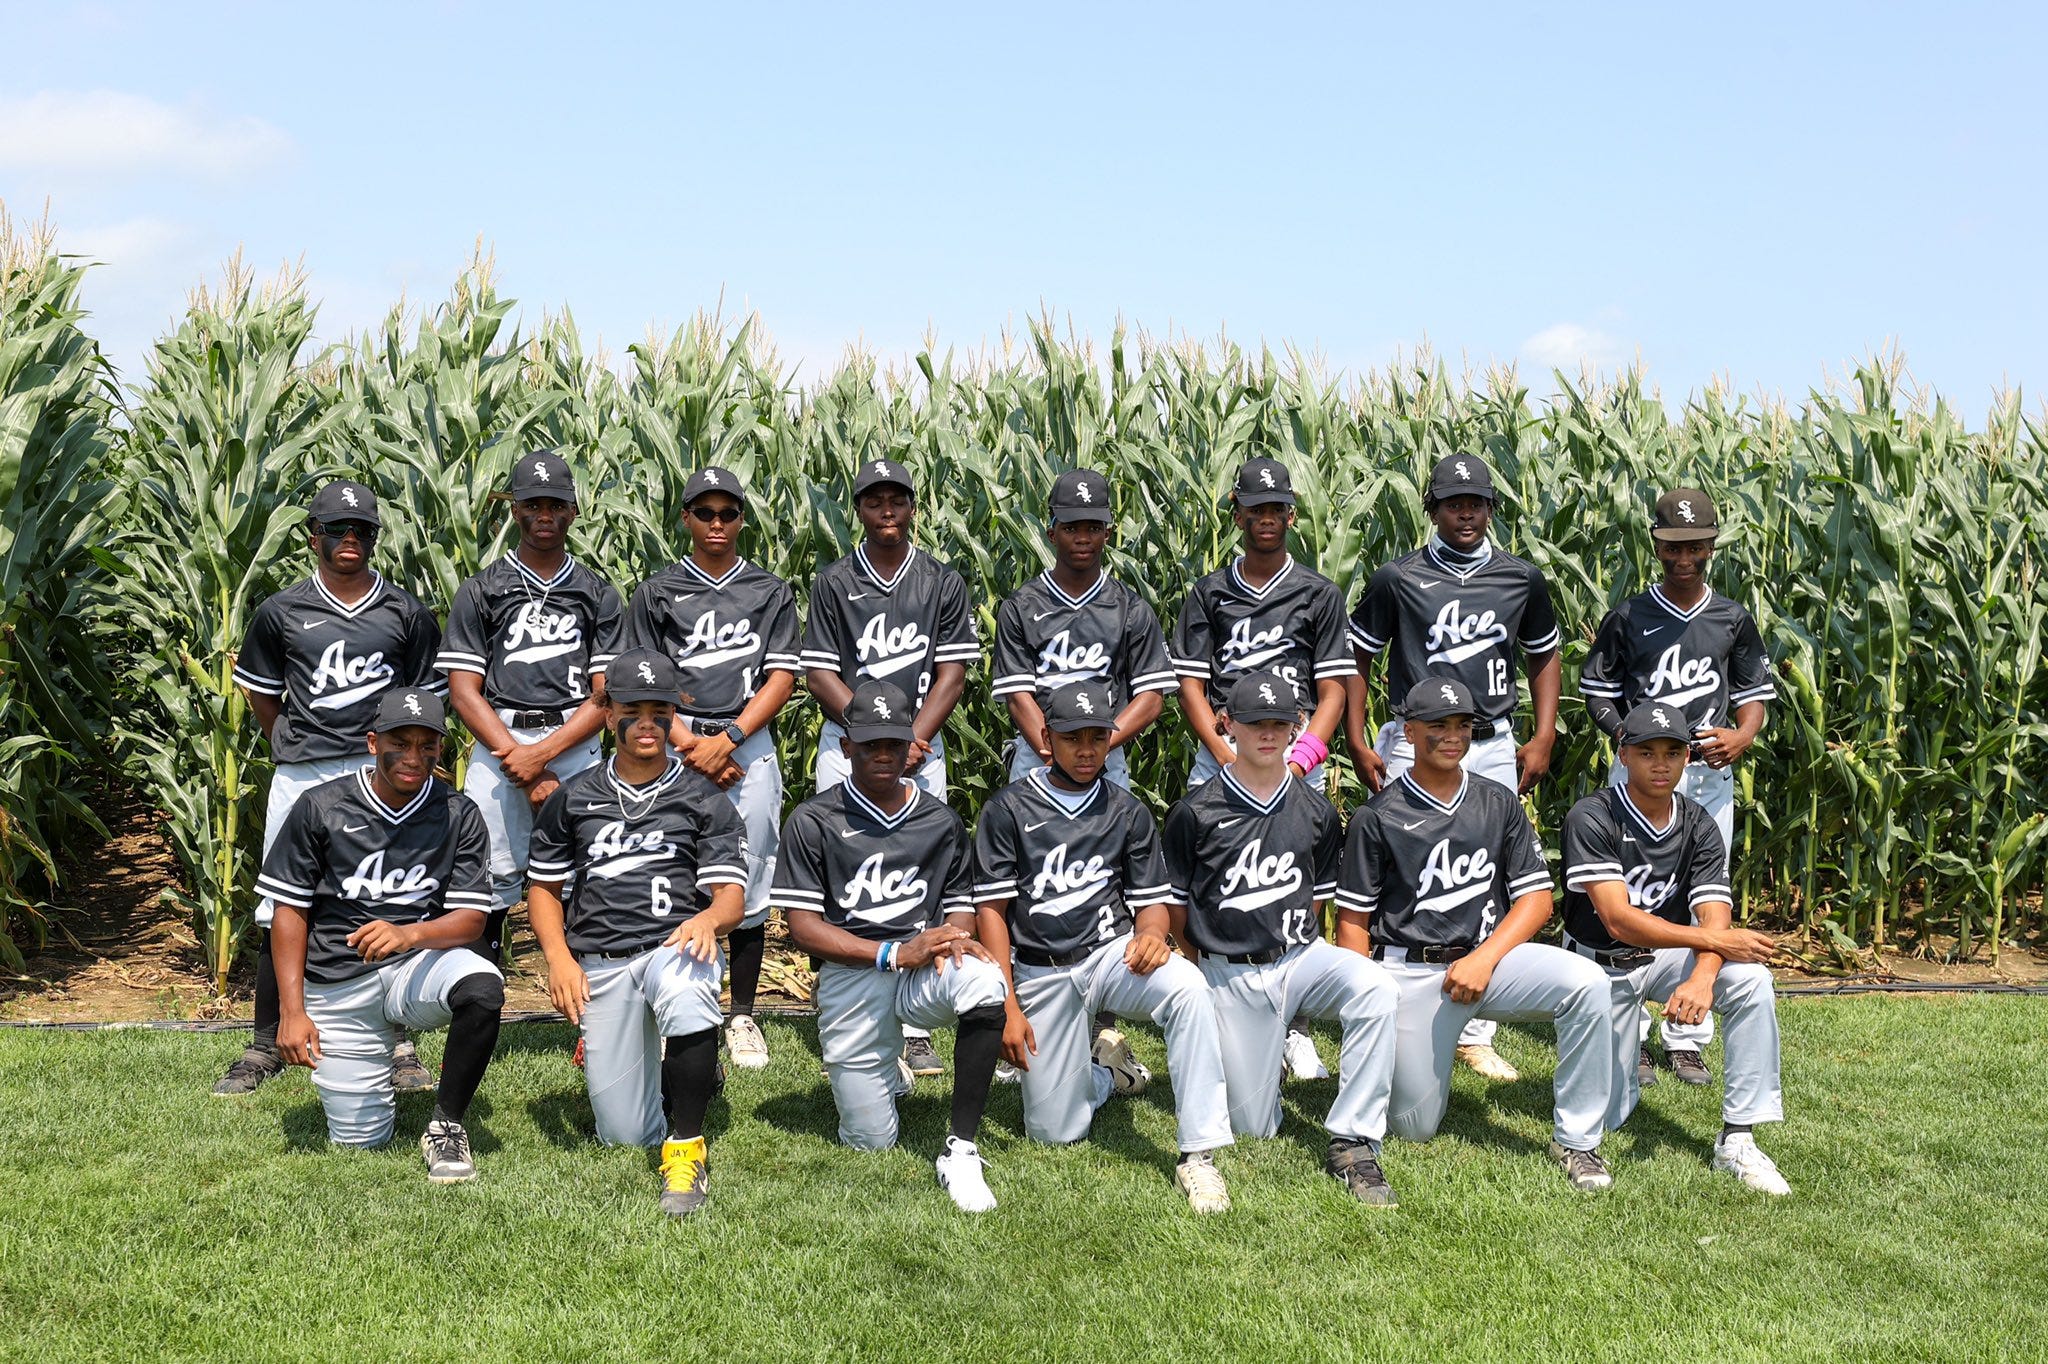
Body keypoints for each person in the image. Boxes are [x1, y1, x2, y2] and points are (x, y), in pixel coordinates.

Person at [1336, 678, 1616, 1192]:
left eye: (1462, 725)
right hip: (1411, 971)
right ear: (1407, 730)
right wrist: (1368, 1006)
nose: (1452, 735)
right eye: (1438, 725)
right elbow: (1351, 923)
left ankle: (1577, 1141)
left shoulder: (1498, 802)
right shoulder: (1377, 817)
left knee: (1588, 983)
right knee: (1413, 1126)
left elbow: (1536, 901)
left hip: (1491, 961)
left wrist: (1485, 959)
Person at [216, 479, 445, 1097]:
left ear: (375, 538)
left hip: (381, 771)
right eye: (337, 530)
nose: (350, 540)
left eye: (362, 531)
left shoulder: (405, 612)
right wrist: (296, 745)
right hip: (306, 769)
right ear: (312, 536)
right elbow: (263, 694)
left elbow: (423, 699)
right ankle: (266, 1042)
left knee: (384, 897)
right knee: (282, 902)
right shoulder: (282, 610)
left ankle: (397, 1043)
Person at [1341, 453, 1563, 1086]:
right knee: (1408, 866)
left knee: (1489, 869)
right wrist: (1357, 737)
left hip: (1490, 739)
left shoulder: (1520, 578)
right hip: (1414, 738)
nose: (1465, 513)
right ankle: (1394, 997)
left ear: (1491, 508)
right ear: (1433, 509)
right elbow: (1358, 658)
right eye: (1452, 503)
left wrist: (1543, 734)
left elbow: (1543, 657)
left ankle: (1476, 1028)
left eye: (1476, 503)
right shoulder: (1398, 579)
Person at [972, 680, 1235, 1213]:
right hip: (1039, 969)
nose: (1088, 749)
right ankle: (1105, 1075)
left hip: (1105, 957)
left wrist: (1154, 934)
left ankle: (1199, 1156)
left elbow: (1152, 901)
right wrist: (1007, 1004)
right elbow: (991, 915)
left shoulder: (1127, 810)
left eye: (1098, 736)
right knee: (1054, 1132)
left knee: (1188, 987)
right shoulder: (1008, 809)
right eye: (1074, 737)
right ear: (1047, 737)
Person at [1161, 670, 1401, 1207]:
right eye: (1254, 723)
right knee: (1252, 1125)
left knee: (1375, 986)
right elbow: (1176, 906)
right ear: (1227, 725)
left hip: (1301, 957)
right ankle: (1261, 1051)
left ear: (1296, 726)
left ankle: (1353, 1140)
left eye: (1278, 723)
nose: (1267, 734)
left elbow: (1318, 897)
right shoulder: (1195, 811)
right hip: (1230, 968)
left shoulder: (1315, 809)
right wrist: (1204, 967)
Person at [526, 648, 750, 1216]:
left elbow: (731, 899)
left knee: (686, 976)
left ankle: (687, 1151)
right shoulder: (573, 797)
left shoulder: (703, 797)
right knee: (624, 1133)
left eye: (660, 709)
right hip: (600, 960)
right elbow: (544, 892)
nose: (647, 721)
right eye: (632, 708)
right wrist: (558, 959)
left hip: (672, 944)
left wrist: (707, 918)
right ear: (606, 714)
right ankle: (684, 1073)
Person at [773, 679, 1010, 1213]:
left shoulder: (940, 819)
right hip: (853, 972)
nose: (884, 754)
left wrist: (954, 937)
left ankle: (962, 1150)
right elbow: (803, 927)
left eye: (894, 744)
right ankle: (886, 1072)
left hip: (921, 968)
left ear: (913, 747)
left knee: (985, 980)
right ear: (846, 746)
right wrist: (892, 953)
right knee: (870, 1142)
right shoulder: (814, 820)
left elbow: (959, 904)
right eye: (871, 743)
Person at [264, 688, 503, 1182]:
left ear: (441, 748)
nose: (413, 757)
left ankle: (446, 1125)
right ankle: (368, 1077)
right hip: (338, 982)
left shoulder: (458, 812)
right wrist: (292, 1012)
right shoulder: (321, 806)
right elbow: (289, 911)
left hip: (414, 966)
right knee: (358, 1143)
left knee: (482, 987)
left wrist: (409, 933)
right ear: (373, 743)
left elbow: (471, 921)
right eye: (400, 742)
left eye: (427, 744)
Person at [1579, 487, 1775, 1086]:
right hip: (1639, 769)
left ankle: (1686, 1033)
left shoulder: (1731, 617)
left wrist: (1742, 739)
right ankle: (1631, 1028)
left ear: (1712, 545)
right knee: (1634, 891)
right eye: (1671, 547)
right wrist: (1622, 736)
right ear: (1656, 547)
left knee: (1702, 890)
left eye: (1694, 546)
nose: (1682, 558)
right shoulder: (1631, 615)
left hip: (1707, 774)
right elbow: (1597, 686)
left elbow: (1753, 698)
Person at [1170, 457, 1356, 1083]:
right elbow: (1191, 684)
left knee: (1295, 881)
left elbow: (1332, 687)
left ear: (1291, 516)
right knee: (1210, 878)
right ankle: (1206, 1006)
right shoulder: (1209, 592)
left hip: (1293, 747)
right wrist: (1224, 755)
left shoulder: (1318, 593)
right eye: (1255, 509)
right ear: (1238, 514)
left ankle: (1295, 1025)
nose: (1266, 518)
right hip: (1224, 747)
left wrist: (1306, 756)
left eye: (1277, 508)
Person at [989, 466, 1177, 1079]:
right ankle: (1027, 1013)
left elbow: (1150, 694)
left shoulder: (1128, 607)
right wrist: (1050, 742)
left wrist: (1093, 742)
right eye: (1072, 525)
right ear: (1052, 529)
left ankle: (1102, 1029)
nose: (1083, 536)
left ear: (1108, 531)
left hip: (1107, 758)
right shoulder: (1023, 605)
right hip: (1034, 751)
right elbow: (1017, 691)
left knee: (1105, 882)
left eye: (1094, 526)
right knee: (1033, 882)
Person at [1560, 702, 1789, 1194]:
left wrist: (1704, 975)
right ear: (1623, 754)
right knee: (1614, 1113)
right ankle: (1588, 1118)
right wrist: (1711, 943)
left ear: (1689, 758)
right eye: (1646, 752)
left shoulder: (1699, 822)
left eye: (1672, 752)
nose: (1660, 764)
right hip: (1599, 967)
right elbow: (1618, 920)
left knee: (1749, 979)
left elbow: (1714, 914)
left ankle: (1739, 1137)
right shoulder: (1593, 815)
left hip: (1663, 955)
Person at [800, 456, 980, 1080]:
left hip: (919, 747)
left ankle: (912, 1028)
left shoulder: (939, 581)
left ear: (911, 506)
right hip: (849, 742)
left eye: (896, 498)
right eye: (874, 499)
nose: (886, 509)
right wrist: (871, 733)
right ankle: (849, 1017)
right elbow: (819, 670)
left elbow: (953, 669)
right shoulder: (834, 581)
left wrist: (911, 738)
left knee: (919, 876)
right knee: (843, 879)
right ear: (859, 508)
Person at [621, 466, 800, 1070]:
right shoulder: (658, 592)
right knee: (667, 865)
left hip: (745, 743)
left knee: (748, 873)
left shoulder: (768, 590)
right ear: (687, 519)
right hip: (670, 741)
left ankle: (742, 1015)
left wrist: (729, 738)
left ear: (742, 519)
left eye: (728, 513)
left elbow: (782, 674)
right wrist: (692, 742)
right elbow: (642, 678)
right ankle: (675, 1006)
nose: (717, 524)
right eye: (706, 513)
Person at [439, 450, 621, 960]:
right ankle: (480, 1007)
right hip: (498, 746)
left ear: (574, 511)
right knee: (485, 885)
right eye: (534, 504)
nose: (546, 515)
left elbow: (604, 694)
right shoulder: (483, 589)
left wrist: (541, 756)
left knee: (588, 876)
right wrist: (521, 760)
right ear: (514, 511)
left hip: (573, 745)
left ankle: (590, 1013)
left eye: (557, 504)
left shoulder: (595, 593)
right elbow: (462, 691)